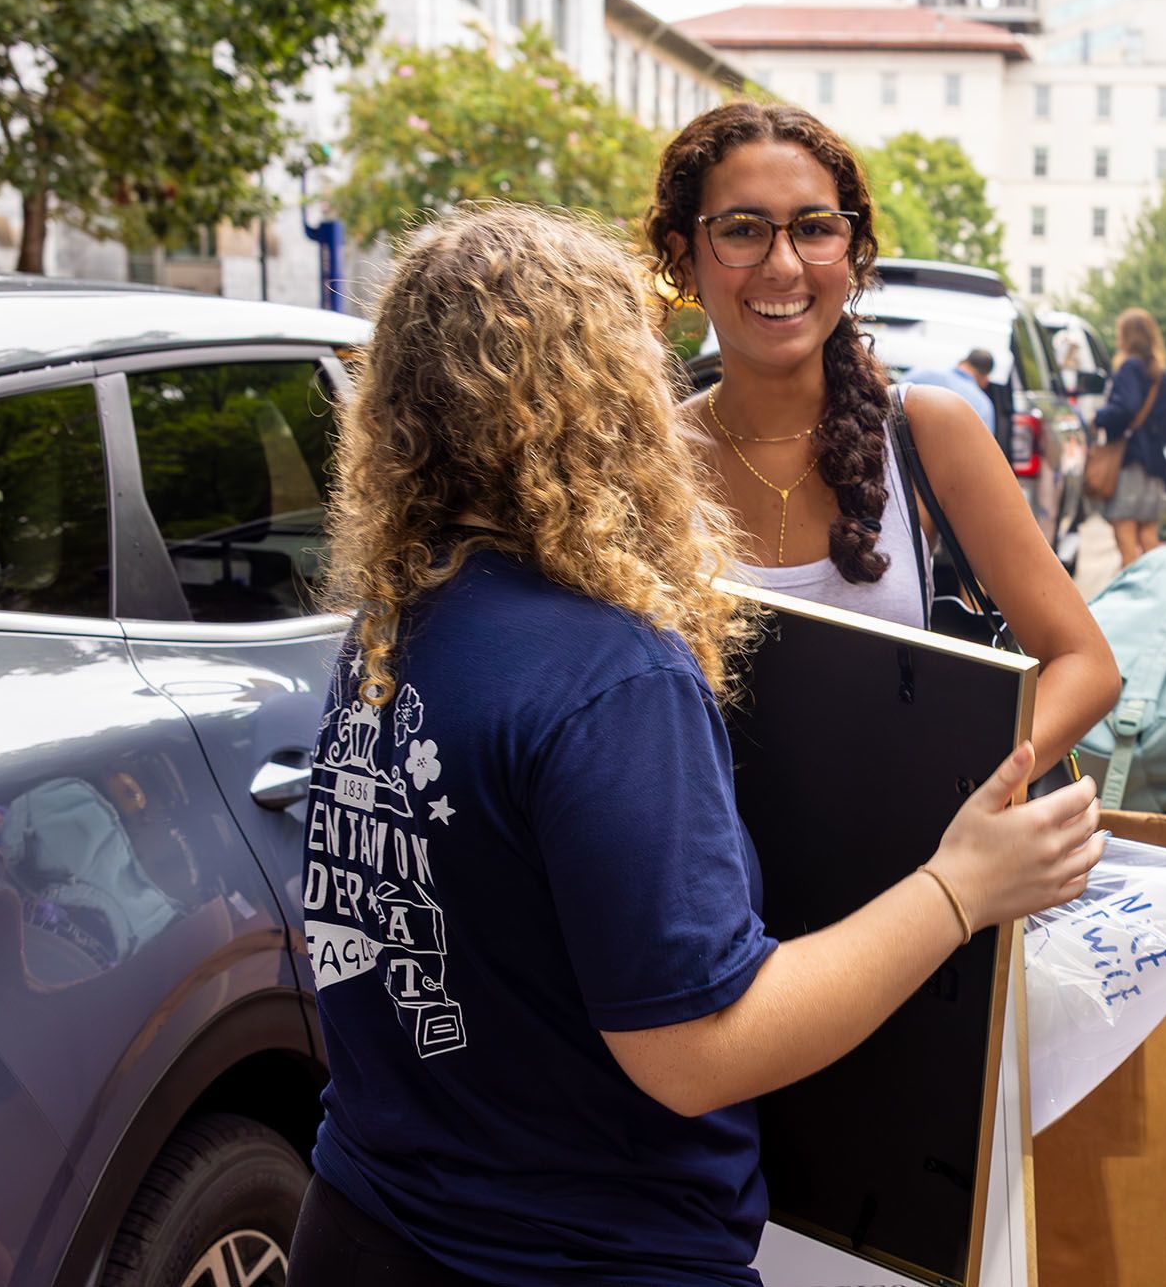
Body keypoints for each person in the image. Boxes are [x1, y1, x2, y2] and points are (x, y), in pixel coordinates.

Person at [289, 203, 1103, 1286]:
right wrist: (963, 888)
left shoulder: (400, 613)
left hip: (362, 1224)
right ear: (606, 393)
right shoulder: (611, 671)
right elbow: (698, 1049)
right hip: (574, 1260)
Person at [648, 102, 1118, 772]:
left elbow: (1085, 663)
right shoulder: (644, 459)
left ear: (852, 254)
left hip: (913, 843)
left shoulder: (928, 433)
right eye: (742, 230)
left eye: (814, 228)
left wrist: (965, 797)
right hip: (695, 843)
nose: (783, 264)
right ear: (684, 259)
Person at [1092, 308, 1166, 569]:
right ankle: (1159, 586)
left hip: (1131, 462)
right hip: (1155, 464)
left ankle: (1133, 589)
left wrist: (1099, 417)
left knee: (1125, 533)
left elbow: (1126, 408)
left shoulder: (1129, 367)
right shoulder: (1163, 376)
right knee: (1149, 534)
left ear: (1126, 336)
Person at [905, 348, 998, 431]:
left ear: (962, 362)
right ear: (985, 379)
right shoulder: (983, 405)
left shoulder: (922, 374)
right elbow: (982, 444)